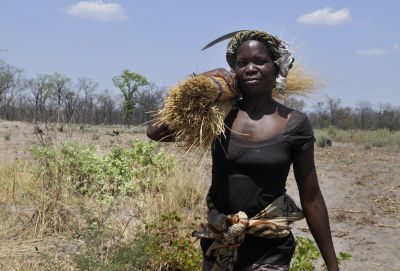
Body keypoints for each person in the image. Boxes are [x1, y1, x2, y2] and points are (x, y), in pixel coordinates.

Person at [147, 30, 338, 271]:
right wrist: (197, 83)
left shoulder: (294, 123)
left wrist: (333, 265)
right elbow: (155, 132)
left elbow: (312, 200)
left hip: (270, 247)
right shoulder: (218, 117)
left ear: (277, 67)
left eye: (260, 61)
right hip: (219, 242)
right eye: (242, 63)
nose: (250, 68)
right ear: (234, 71)